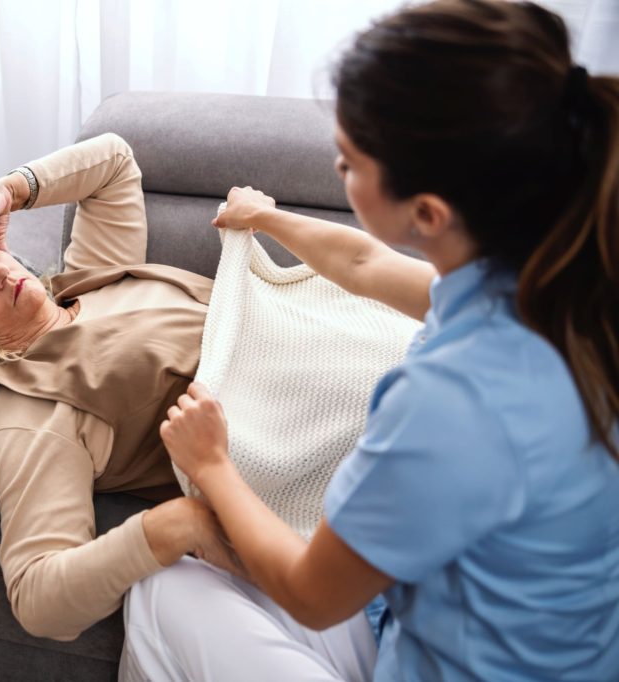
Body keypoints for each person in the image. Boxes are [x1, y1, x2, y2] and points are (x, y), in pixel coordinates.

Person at [122, 0, 619, 680]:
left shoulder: (455, 397)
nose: (335, 166)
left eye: (350, 160)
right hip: (475, 628)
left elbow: (311, 593)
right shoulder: (556, 282)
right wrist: (269, 217)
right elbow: (367, 266)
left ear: (428, 213)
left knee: (158, 593)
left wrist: (211, 464)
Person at [0, 132, 249, 640]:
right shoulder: (33, 408)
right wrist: (175, 525)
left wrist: (6, 191)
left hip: (326, 330)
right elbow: (38, 598)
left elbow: (115, 160)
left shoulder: (81, 279)